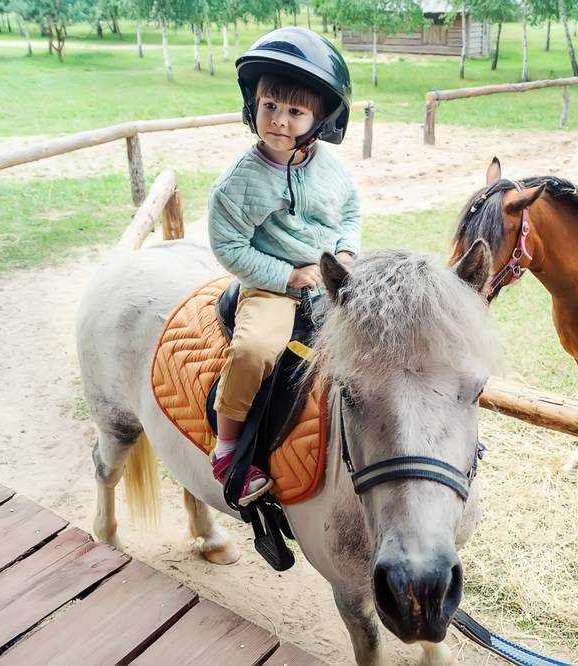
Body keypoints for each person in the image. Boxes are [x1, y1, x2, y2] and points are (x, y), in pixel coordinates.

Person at [207, 27, 360, 504]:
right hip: (271, 284)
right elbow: (229, 245)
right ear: (253, 105)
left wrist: (347, 251)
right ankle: (228, 446)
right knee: (255, 349)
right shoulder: (239, 182)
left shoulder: (330, 169)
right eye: (270, 105)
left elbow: (350, 211)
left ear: (319, 119)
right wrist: (286, 276)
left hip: (328, 276)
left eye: (295, 111)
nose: (279, 120)